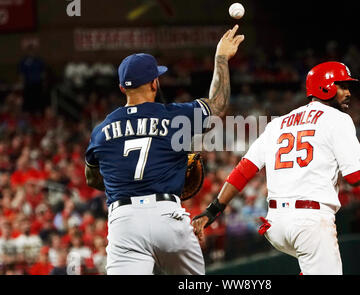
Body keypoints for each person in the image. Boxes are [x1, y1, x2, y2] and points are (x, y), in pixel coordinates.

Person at [84, 25, 244, 275]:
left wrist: (127, 184)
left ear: (122, 88)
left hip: (124, 222)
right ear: (154, 83)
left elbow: (91, 178)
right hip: (167, 215)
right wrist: (221, 58)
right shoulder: (174, 117)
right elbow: (218, 105)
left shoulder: (101, 129)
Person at [193, 62, 360, 275]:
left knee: (311, 261)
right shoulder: (338, 119)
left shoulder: (278, 123)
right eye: (343, 86)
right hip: (310, 222)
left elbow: (244, 169)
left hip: (275, 224)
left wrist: (213, 210)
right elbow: (355, 177)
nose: (348, 92)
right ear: (327, 87)